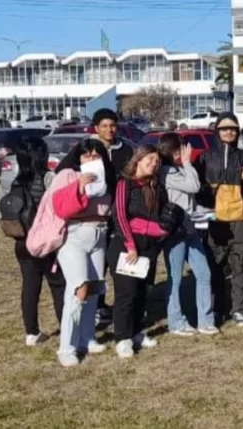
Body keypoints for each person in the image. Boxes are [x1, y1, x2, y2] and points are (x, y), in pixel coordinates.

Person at [51, 139, 116, 366]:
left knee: (95, 289)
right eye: (86, 156)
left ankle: (86, 338)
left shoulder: (107, 176)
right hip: (74, 236)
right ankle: (66, 347)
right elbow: (59, 206)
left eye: (95, 155)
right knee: (78, 288)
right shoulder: (67, 175)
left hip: (100, 234)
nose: (91, 160)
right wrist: (78, 187)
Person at [197, 112, 243, 327]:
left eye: (233, 128)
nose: (229, 132)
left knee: (241, 263)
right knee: (215, 264)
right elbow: (197, 189)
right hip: (214, 219)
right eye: (224, 129)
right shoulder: (205, 157)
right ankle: (217, 308)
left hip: (240, 219)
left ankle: (240, 309)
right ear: (217, 131)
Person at [109, 145, 168, 359]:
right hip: (127, 245)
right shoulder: (125, 183)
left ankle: (135, 332)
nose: (154, 164)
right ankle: (122, 337)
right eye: (150, 160)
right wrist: (130, 244)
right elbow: (120, 216)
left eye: (157, 162)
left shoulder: (155, 186)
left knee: (142, 292)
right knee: (126, 293)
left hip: (150, 245)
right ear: (138, 160)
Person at [157, 133, 218, 337]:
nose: (184, 153)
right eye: (180, 150)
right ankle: (176, 321)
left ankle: (205, 319)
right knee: (175, 277)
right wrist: (188, 163)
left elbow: (191, 197)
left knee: (204, 273)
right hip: (176, 231)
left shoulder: (178, 170)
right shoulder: (167, 172)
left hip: (191, 228)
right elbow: (193, 186)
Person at [10, 136, 65, 347]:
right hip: (44, 240)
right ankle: (65, 325)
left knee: (30, 286)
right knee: (58, 284)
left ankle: (31, 332)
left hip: (21, 241)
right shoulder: (48, 179)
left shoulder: (16, 181)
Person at [90, 108, 134, 324]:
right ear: (96, 128)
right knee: (98, 265)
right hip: (96, 216)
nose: (109, 130)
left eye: (112, 125)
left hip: (119, 214)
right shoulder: (88, 149)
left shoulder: (125, 149)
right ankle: (97, 305)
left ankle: (124, 305)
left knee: (119, 262)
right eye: (104, 126)